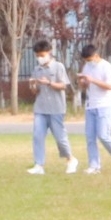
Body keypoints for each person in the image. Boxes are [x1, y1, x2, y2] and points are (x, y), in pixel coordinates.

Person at [26, 40, 77, 176]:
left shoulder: (58, 67)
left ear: (48, 52)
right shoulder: (37, 70)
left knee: (60, 138)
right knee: (37, 136)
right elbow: (35, 91)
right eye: (37, 55)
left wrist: (49, 83)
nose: (40, 58)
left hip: (56, 108)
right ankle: (39, 164)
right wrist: (32, 85)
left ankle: (70, 159)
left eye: (42, 55)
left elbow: (63, 86)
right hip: (40, 108)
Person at [77, 43, 111, 174]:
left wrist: (92, 80)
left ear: (96, 55)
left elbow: (110, 86)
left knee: (103, 135)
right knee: (90, 137)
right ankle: (94, 166)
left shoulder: (106, 67)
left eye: (89, 59)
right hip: (90, 105)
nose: (88, 62)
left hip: (104, 105)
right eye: (86, 61)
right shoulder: (87, 67)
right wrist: (83, 82)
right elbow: (84, 86)